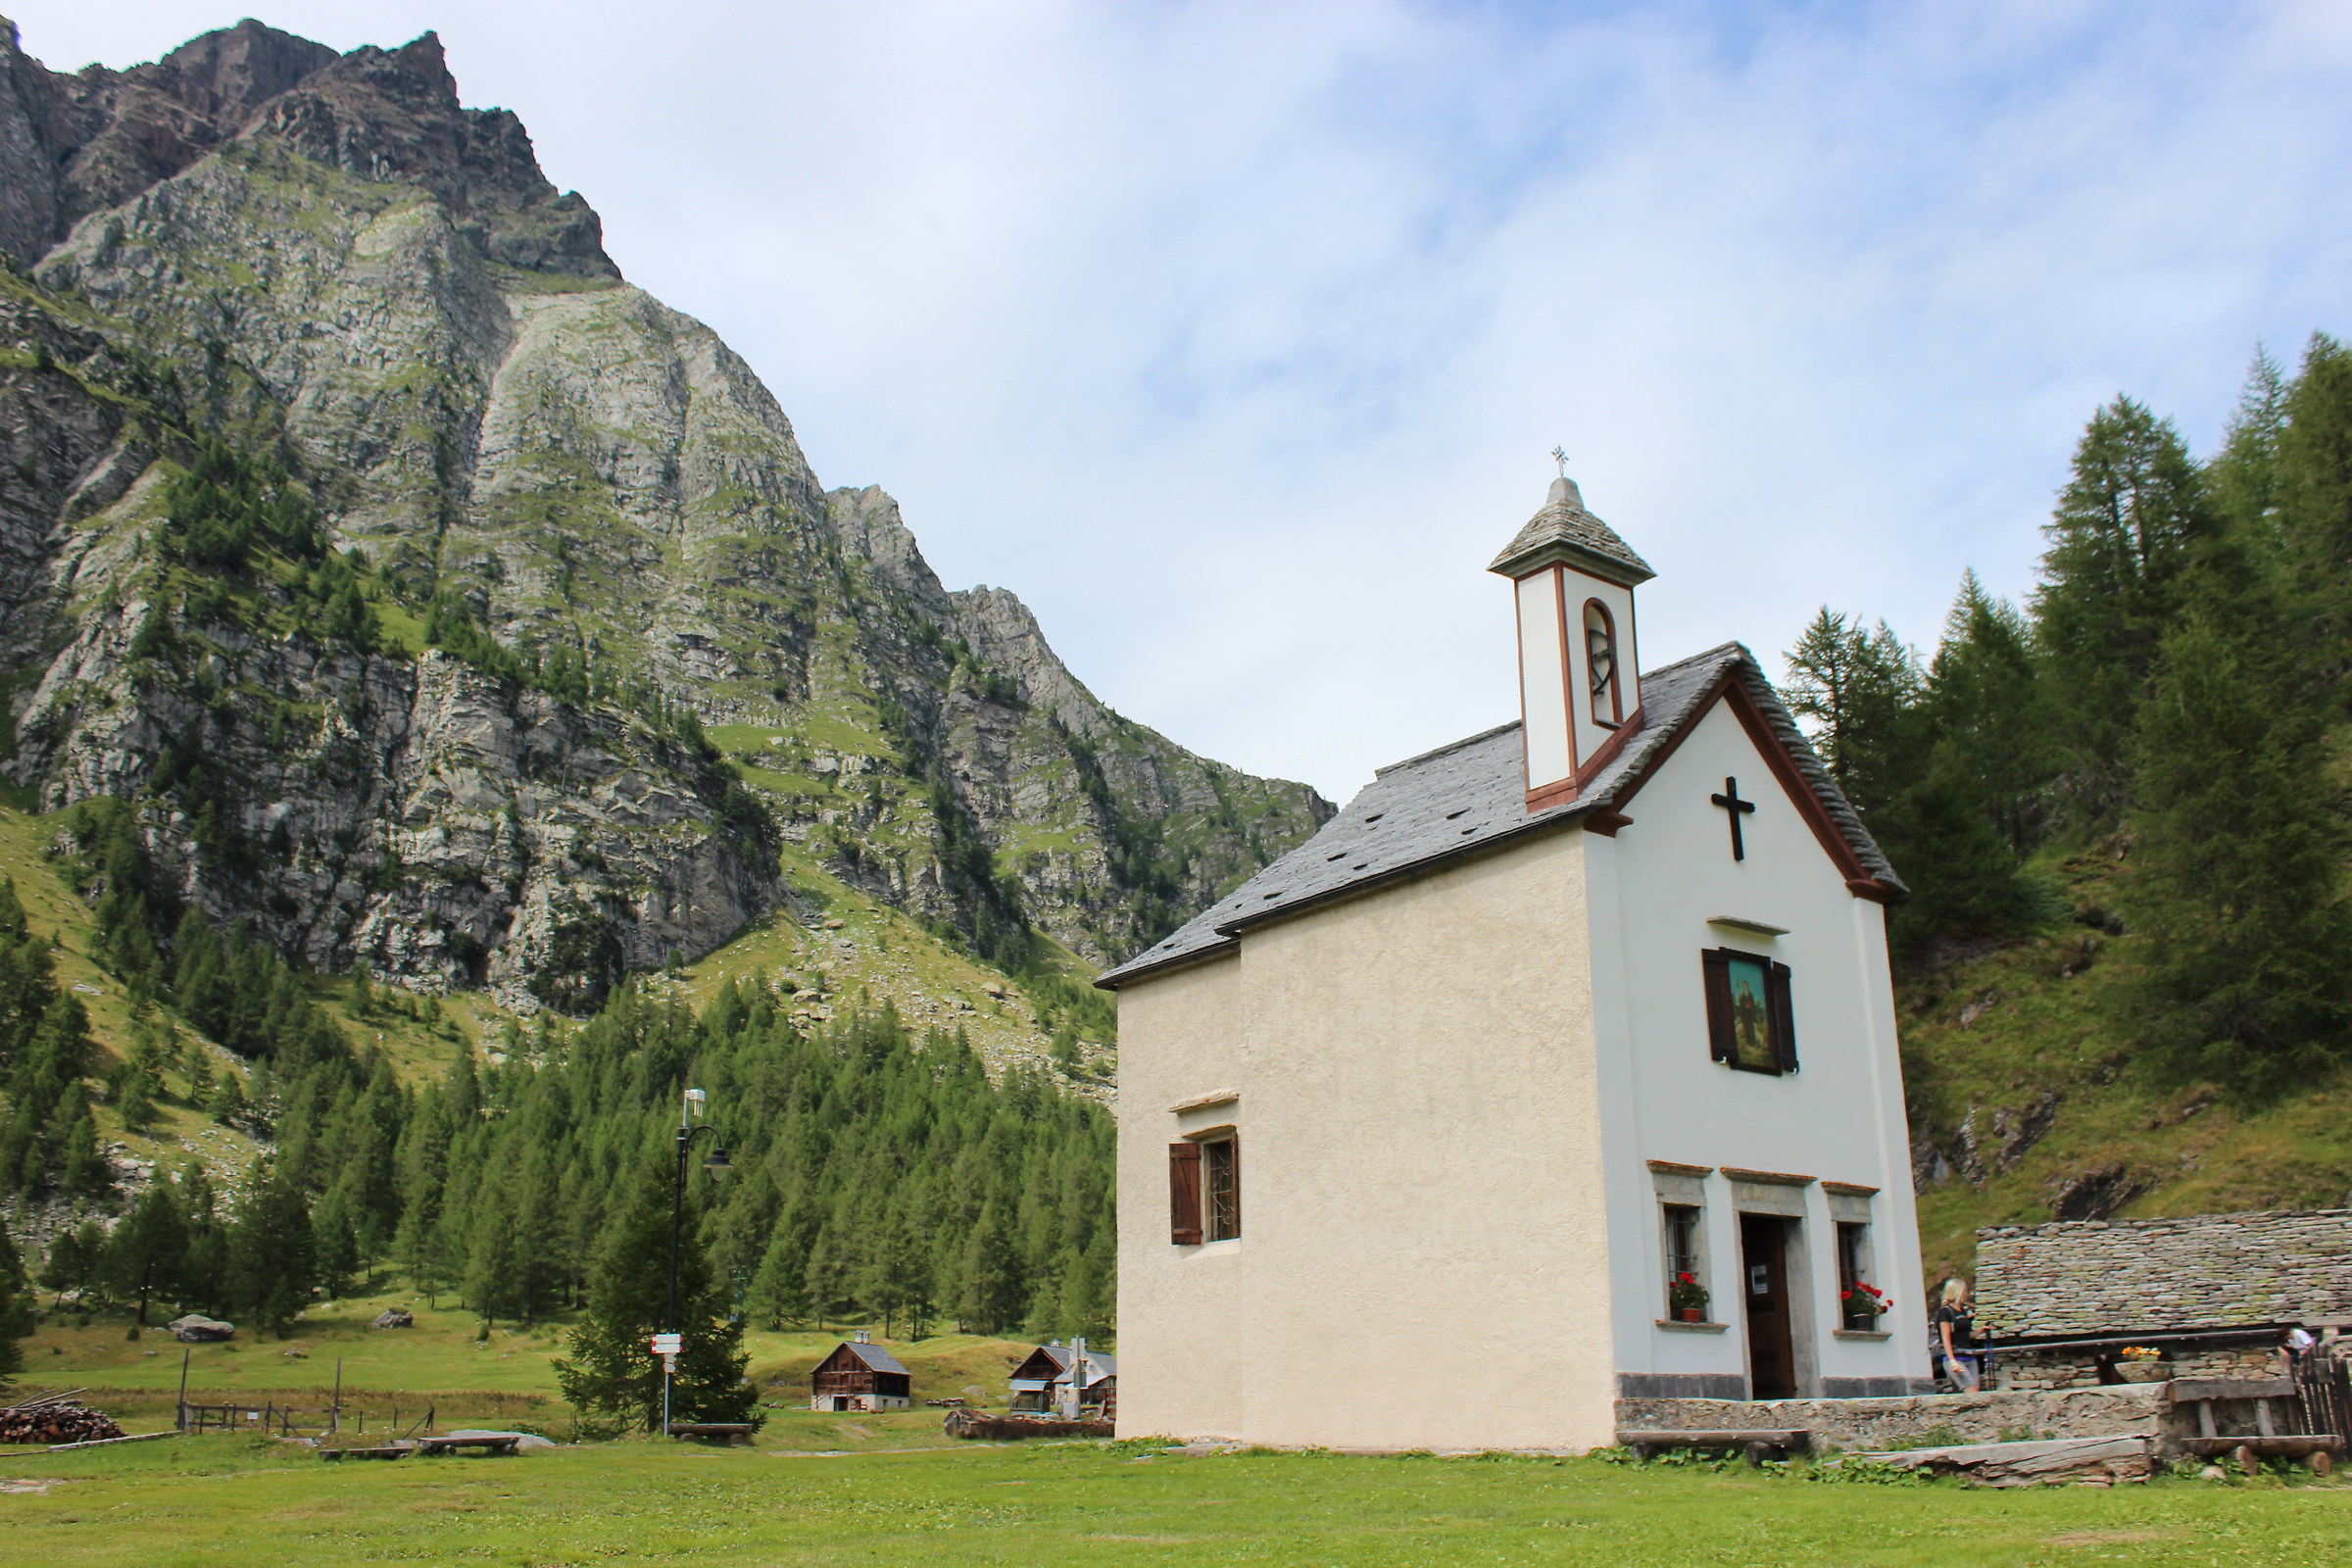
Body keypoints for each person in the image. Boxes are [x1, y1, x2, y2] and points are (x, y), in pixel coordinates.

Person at [1932, 1278, 1981, 1392]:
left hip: (1970, 1357)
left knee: (1976, 1393)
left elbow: (1965, 1336)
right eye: (1965, 1291)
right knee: (1972, 1391)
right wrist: (1952, 1361)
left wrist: (1982, 1330)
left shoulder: (1963, 1311)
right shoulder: (1945, 1312)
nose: (1967, 1294)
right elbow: (1946, 1338)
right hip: (1956, 1359)